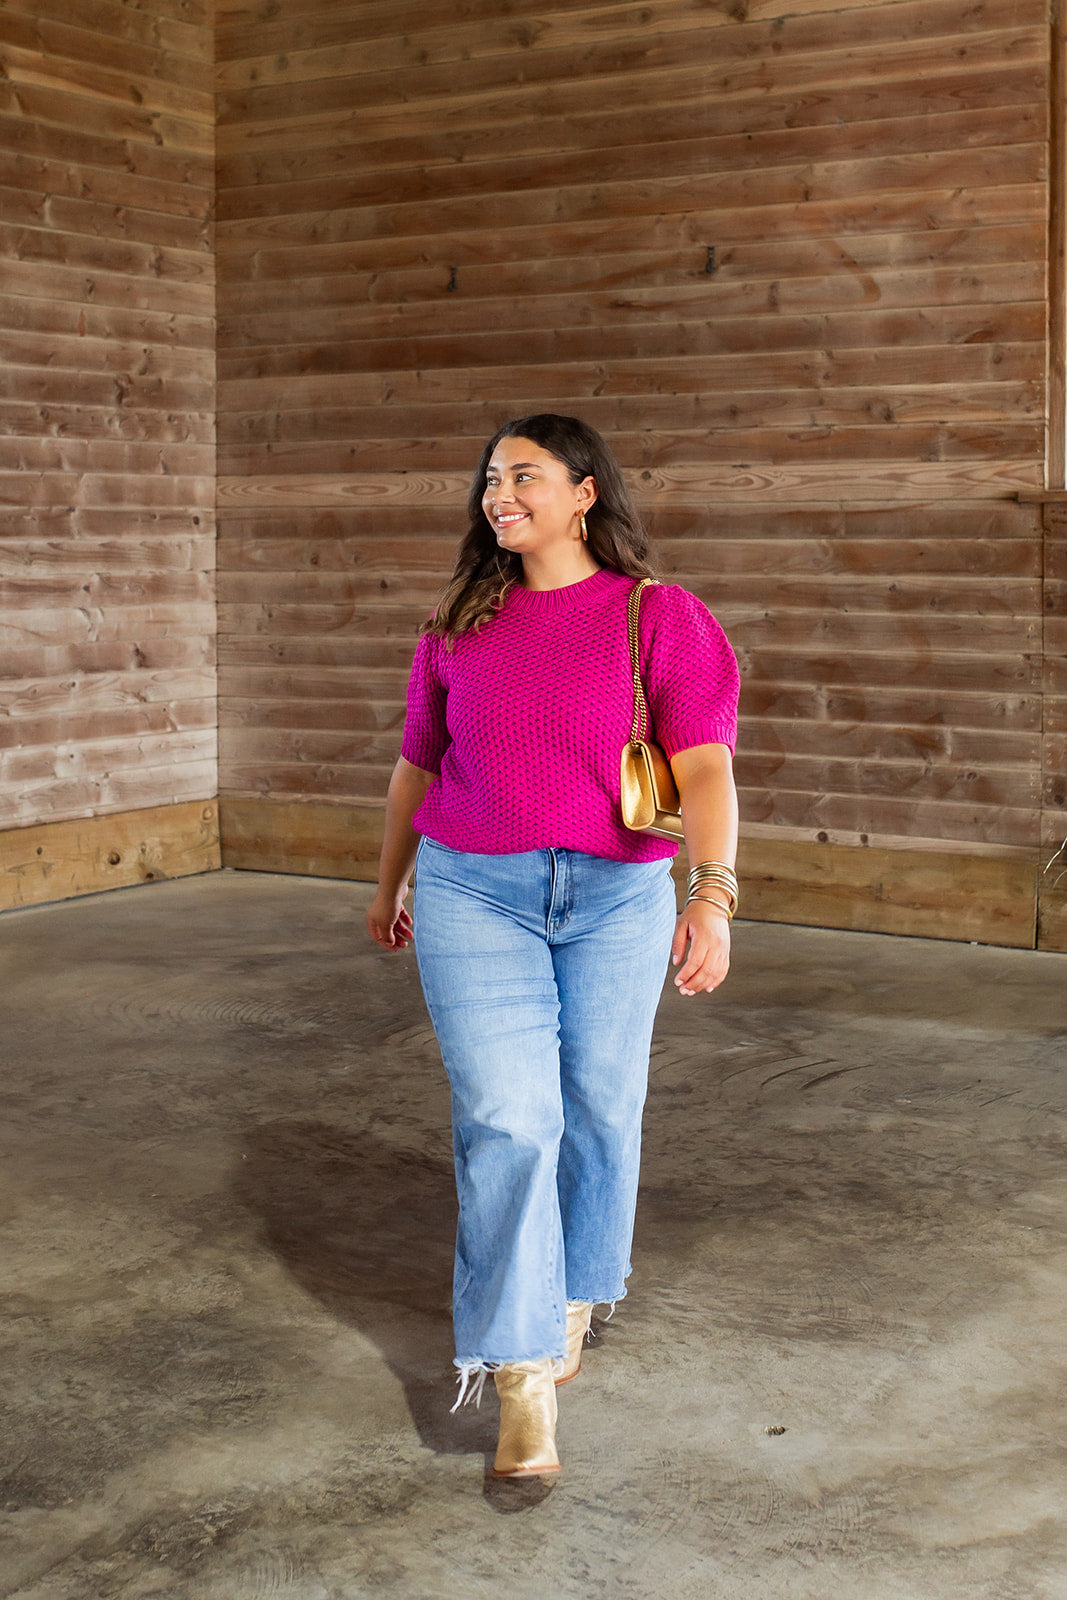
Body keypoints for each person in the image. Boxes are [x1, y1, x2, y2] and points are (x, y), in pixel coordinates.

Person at [366, 413, 740, 1479]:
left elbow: (703, 766)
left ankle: (577, 1285)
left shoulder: (657, 615)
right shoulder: (454, 618)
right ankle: (519, 1374)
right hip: (470, 891)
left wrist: (709, 892)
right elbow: (416, 767)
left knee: (597, 1101)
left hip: (618, 894)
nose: (499, 494)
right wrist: (388, 882)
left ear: (584, 492)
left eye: (523, 475)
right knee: (506, 1117)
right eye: (490, 478)